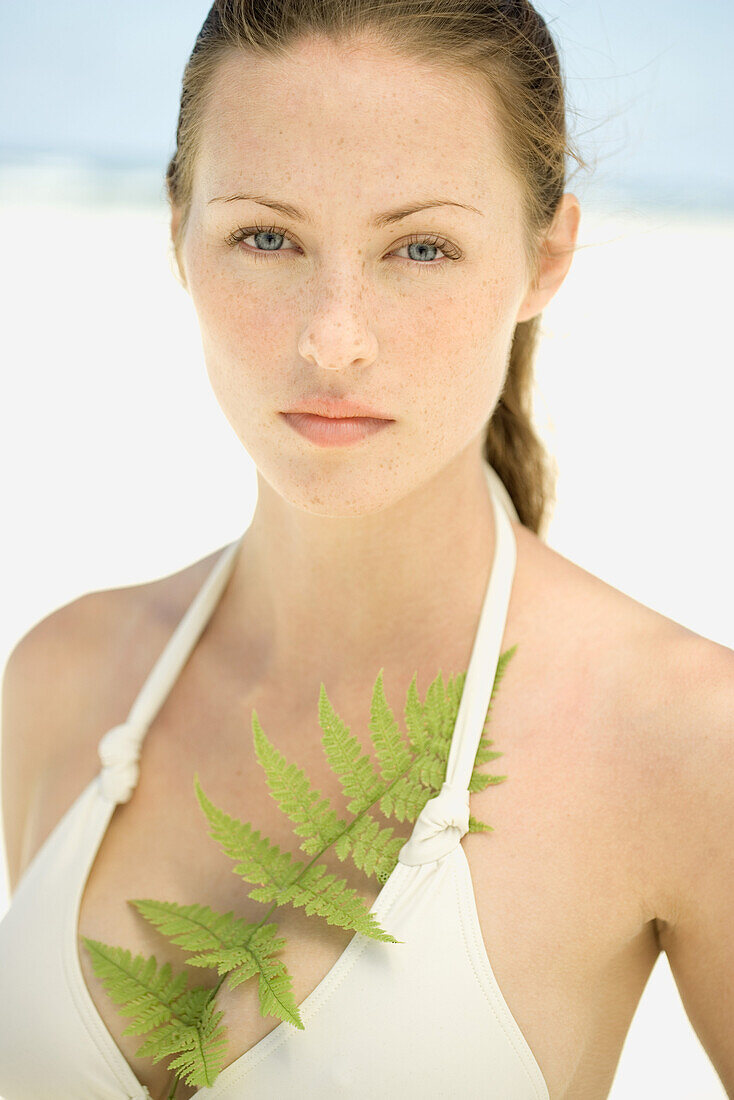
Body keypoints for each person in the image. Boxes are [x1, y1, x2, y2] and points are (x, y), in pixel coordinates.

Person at [1, 3, 732, 1099]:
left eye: (420, 247)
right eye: (265, 236)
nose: (330, 336)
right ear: (176, 234)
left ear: (545, 257)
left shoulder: (679, 739)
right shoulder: (63, 675)